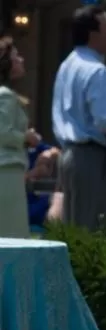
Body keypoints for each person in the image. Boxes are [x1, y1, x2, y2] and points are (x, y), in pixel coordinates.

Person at [51, 4, 106, 229]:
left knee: (74, 226)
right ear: (93, 34)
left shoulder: (67, 64)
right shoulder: (96, 70)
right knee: (95, 229)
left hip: (69, 155)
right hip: (92, 157)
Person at [0, 37, 36, 238]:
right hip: (6, 170)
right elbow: (2, 132)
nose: (21, 59)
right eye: (16, 56)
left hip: (8, 170)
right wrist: (26, 137)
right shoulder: (5, 95)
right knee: (11, 234)